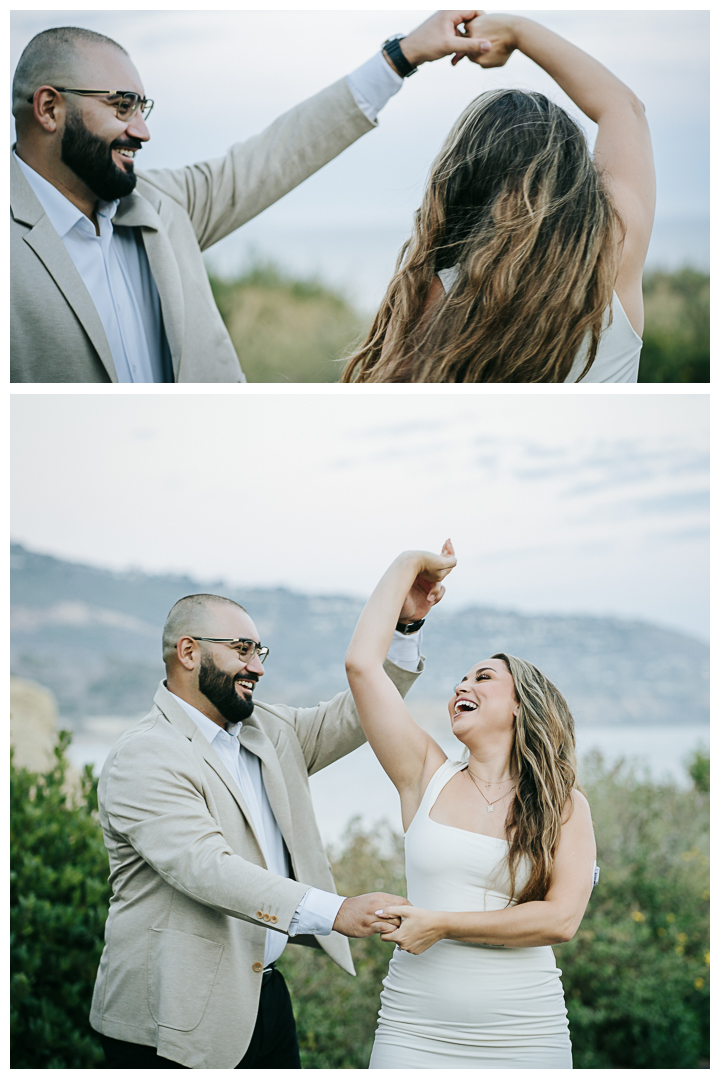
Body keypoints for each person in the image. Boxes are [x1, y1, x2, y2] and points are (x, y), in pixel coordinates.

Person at [10, 13, 493, 383]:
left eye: (141, 108)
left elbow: (273, 156)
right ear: (49, 108)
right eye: (120, 107)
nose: (142, 131)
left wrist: (402, 55)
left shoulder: (163, 204)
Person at [89, 588, 435, 1069]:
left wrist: (405, 631)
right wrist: (336, 911)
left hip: (265, 999)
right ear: (189, 652)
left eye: (259, 651)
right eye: (242, 650)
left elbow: (360, 714)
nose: (258, 666)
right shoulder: (144, 754)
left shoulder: (269, 729)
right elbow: (207, 868)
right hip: (170, 1025)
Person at [344, 541, 597, 1068]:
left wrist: (442, 923)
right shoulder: (425, 775)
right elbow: (362, 666)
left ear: (521, 705)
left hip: (527, 1035)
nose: (463, 683)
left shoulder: (564, 806)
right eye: (462, 678)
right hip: (413, 1031)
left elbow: (560, 920)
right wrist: (406, 567)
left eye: (483, 677)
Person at [341, 12, 656, 383]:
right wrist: (515, 31)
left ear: (460, 182)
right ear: (573, 177)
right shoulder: (613, 256)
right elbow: (624, 107)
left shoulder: (435, 298)